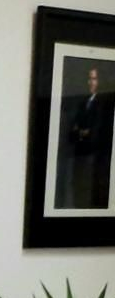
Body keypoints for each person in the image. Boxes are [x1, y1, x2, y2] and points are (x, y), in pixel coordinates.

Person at [58, 63, 114, 209]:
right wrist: (81, 132)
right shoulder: (84, 103)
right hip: (79, 158)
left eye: (94, 79)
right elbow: (72, 133)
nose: (90, 82)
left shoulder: (102, 104)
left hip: (92, 160)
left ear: (99, 81)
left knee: (87, 196)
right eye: (89, 79)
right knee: (77, 194)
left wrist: (81, 132)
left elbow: (95, 133)